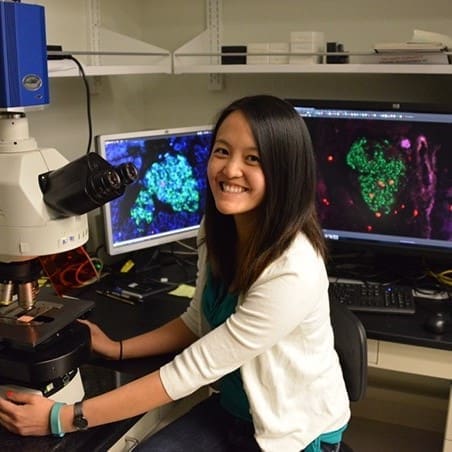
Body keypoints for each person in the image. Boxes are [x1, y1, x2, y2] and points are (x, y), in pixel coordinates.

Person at [0, 95, 350, 451]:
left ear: (285, 171)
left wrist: (59, 417)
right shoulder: (218, 231)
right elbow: (197, 321)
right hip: (235, 410)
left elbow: (192, 370)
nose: (230, 170)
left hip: (292, 433)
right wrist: (118, 349)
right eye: (223, 151)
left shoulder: (293, 269)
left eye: (253, 159)